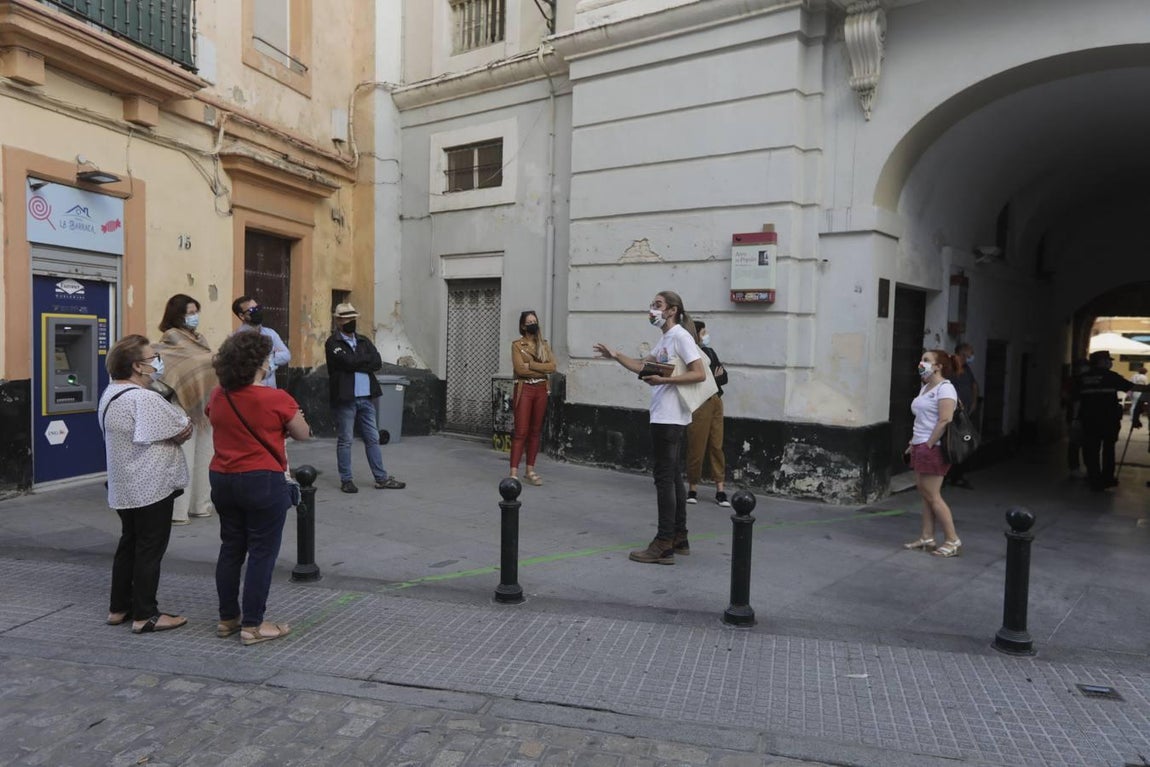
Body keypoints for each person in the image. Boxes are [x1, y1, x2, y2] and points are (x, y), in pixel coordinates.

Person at [206, 332, 311, 646]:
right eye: (267, 357)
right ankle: (253, 625)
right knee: (262, 552)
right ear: (259, 364)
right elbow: (302, 433)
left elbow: (215, 418)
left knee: (231, 548)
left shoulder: (218, 395)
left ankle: (228, 617)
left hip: (223, 477)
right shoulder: (276, 398)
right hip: (262, 478)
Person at [593, 291, 707, 565]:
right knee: (673, 477)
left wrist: (665, 381)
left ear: (672, 310)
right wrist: (616, 355)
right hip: (665, 417)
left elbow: (699, 373)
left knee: (664, 479)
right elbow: (643, 366)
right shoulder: (666, 339)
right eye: (652, 305)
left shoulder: (680, 336)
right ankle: (679, 537)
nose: (652, 310)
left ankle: (663, 544)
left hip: (670, 418)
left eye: (658, 305)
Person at [98, 334, 192, 634]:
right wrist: (183, 427)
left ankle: (119, 607)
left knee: (129, 544)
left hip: (124, 485)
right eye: (153, 358)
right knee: (149, 549)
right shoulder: (144, 398)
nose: (158, 363)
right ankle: (146, 614)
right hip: (150, 486)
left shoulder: (110, 393)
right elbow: (183, 427)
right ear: (138, 366)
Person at [325, 302, 405, 493]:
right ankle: (346, 480)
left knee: (373, 438)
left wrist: (356, 362)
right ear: (338, 321)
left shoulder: (363, 340)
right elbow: (347, 361)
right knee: (346, 440)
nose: (351, 322)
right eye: (347, 319)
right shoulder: (333, 343)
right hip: (346, 398)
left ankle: (381, 478)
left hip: (366, 397)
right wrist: (362, 361)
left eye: (353, 318)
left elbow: (377, 362)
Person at [155, 294, 217, 524]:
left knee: (205, 459)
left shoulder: (200, 340)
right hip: (181, 407)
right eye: (190, 313)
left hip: (205, 409)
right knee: (183, 461)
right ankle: (178, 512)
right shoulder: (169, 341)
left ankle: (201, 505)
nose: (194, 316)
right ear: (177, 315)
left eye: (196, 312)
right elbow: (165, 375)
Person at [902, 349, 962, 558]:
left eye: (926, 360)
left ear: (938, 366)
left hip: (933, 448)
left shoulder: (946, 389)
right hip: (920, 445)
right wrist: (913, 443)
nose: (921, 363)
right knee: (925, 494)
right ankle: (927, 537)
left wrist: (928, 444)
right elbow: (922, 419)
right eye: (922, 359)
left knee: (933, 495)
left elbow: (945, 420)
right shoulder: (926, 387)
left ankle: (953, 540)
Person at [1072, 350, 1137, 492]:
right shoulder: (1111, 376)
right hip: (1109, 420)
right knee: (1109, 449)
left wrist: (1075, 419)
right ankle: (1107, 479)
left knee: (1091, 450)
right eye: (1108, 360)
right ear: (1101, 361)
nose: (1110, 363)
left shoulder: (1082, 378)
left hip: (1089, 420)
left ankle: (1094, 479)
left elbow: (1077, 400)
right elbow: (1132, 387)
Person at [685, 321, 730, 506]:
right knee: (697, 445)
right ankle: (692, 487)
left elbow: (723, 376)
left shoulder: (710, 352)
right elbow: (698, 378)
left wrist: (713, 377)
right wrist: (713, 376)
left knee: (716, 445)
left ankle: (720, 489)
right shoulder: (690, 353)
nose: (706, 335)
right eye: (703, 332)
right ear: (695, 335)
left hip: (716, 399)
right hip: (700, 402)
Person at [509, 310, 556, 485]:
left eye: (534, 321)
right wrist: (540, 369)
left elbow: (552, 367)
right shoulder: (517, 345)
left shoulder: (543, 345)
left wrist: (531, 365)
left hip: (541, 389)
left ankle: (530, 471)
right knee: (521, 431)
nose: (532, 324)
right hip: (524, 389)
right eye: (529, 322)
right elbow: (520, 370)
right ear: (523, 326)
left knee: (535, 431)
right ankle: (513, 473)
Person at [232, 295, 290, 387]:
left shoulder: (271, 333)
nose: (257, 311)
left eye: (258, 307)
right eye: (252, 310)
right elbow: (242, 365)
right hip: (249, 391)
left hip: (270, 391)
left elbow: (286, 355)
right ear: (242, 316)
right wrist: (270, 356)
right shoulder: (235, 339)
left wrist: (269, 358)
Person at [945, 342, 979, 489]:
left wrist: (974, 402)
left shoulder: (966, 368)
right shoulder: (950, 367)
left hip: (965, 414)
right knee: (950, 443)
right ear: (963, 353)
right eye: (970, 353)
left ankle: (958, 475)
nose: (972, 356)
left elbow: (974, 385)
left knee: (965, 443)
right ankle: (947, 475)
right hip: (953, 413)